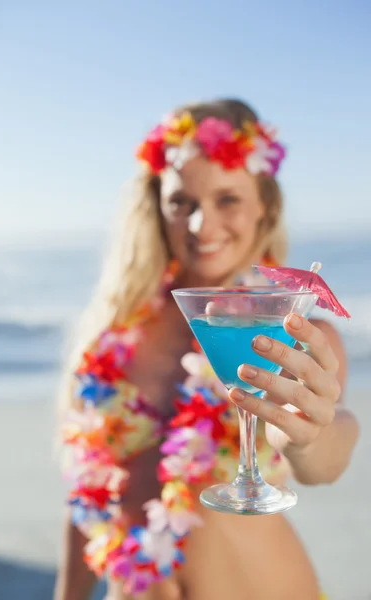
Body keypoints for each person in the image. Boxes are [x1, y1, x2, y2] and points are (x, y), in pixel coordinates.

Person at [54, 98, 359, 600]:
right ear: (157, 206)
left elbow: (324, 458)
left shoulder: (298, 332)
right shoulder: (110, 336)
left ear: (265, 206)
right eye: (182, 203)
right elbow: (84, 493)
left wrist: (308, 438)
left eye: (228, 199)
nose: (201, 226)